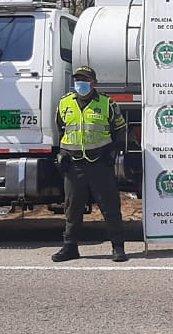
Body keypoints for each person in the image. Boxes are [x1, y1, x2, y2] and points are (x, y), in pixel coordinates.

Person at [51, 65, 128, 263]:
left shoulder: (107, 103)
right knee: (72, 208)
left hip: (99, 163)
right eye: (78, 80)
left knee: (110, 207)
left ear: (94, 82)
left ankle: (118, 247)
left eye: (85, 80)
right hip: (74, 165)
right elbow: (61, 130)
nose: (81, 83)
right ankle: (70, 247)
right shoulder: (64, 103)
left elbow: (120, 130)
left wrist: (112, 153)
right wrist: (62, 154)